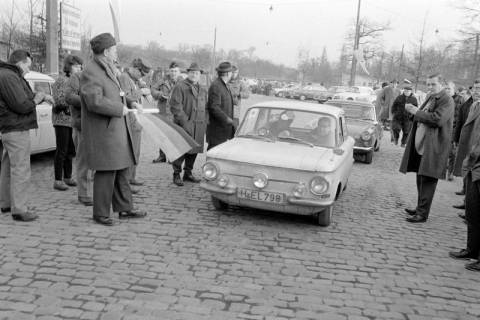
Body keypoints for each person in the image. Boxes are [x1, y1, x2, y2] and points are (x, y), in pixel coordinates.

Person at [80, 32, 146, 226]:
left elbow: (118, 94)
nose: (116, 53)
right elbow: (94, 101)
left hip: (114, 130)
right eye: (114, 50)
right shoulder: (91, 71)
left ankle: (125, 208)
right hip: (104, 132)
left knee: (122, 170)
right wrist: (120, 109)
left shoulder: (107, 67)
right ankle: (100, 213)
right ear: (107, 51)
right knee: (106, 172)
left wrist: (132, 103)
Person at [0, 49, 53, 221]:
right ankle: (20, 209)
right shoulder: (9, 76)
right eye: (28, 66)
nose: (29, 70)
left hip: (10, 128)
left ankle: (7, 203)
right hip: (16, 128)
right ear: (20, 62)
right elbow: (22, 105)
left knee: (9, 168)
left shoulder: (10, 75)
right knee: (21, 169)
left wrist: (40, 96)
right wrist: (38, 99)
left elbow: (26, 97)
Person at [399, 73, 454, 223]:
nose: (429, 87)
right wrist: (413, 111)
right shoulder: (431, 97)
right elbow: (420, 115)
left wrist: (416, 111)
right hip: (422, 143)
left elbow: (437, 120)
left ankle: (422, 214)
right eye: (428, 84)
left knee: (428, 179)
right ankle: (419, 208)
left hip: (434, 146)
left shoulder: (447, 100)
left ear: (441, 84)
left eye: (433, 84)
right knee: (420, 175)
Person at [449, 79, 480, 272]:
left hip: (477, 163)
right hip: (472, 164)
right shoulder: (475, 106)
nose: (476, 91)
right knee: (472, 211)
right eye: (475, 88)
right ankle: (472, 250)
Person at [169, 62, 207, 187]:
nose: (194, 75)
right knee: (181, 149)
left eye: (197, 73)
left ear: (200, 75)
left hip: (199, 125)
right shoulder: (180, 86)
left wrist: (205, 121)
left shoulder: (202, 88)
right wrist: (185, 122)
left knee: (194, 150)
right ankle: (176, 174)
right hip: (184, 124)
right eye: (192, 72)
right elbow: (175, 106)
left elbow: (205, 107)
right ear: (188, 73)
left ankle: (188, 173)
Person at [65, 57, 94, 206]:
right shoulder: (77, 77)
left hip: (96, 125)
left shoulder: (95, 77)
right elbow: (69, 97)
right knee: (83, 160)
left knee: (94, 161)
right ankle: (84, 194)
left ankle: (93, 191)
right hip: (82, 124)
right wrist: (90, 102)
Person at [51, 55, 82, 191]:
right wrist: (73, 100)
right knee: (61, 150)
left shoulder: (75, 80)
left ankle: (68, 176)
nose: (78, 68)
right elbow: (59, 100)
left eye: (80, 66)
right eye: (76, 66)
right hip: (61, 119)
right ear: (69, 66)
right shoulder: (61, 80)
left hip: (71, 120)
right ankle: (58, 179)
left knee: (71, 150)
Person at [118, 59, 150, 187]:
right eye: (141, 73)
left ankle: (132, 177)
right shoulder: (125, 78)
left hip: (135, 120)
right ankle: (127, 181)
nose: (141, 76)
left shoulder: (134, 80)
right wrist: (141, 92)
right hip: (130, 120)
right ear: (134, 68)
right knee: (130, 150)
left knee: (136, 150)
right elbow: (125, 97)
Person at [151, 61, 181, 163]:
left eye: (175, 71)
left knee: (174, 134)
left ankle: (173, 156)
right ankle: (162, 156)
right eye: (172, 71)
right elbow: (153, 89)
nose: (173, 73)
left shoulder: (183, 82)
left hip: (175, 112)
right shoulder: (163, 80)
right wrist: (160, 95)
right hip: (163, 110)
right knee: (162, 133)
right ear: (169, 71)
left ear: (179, 72)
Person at [206, 61, 234, 150]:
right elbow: (214, 107)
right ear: (227, 73)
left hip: (224, 130)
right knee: (213, 155)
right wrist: (227, 119)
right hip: (217, 131)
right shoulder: (216, 86)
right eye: (231, 72)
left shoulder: (224, 85)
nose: (232, 74)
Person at [453, 87, 474, 198]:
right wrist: (456, 139)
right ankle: (465, 189)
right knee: (465, 165)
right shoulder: (465, 105)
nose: (476, 91)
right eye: (475, 88)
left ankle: (468, 197)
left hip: (476, 141)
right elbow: (459, 123)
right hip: (466, 140)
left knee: (473, 169)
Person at [446, 82, 465, 180]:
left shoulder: (459, 99)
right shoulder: (444, 99)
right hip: (444, 128)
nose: (447, 90)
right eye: (446, 88)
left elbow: (459, 118)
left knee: (452, 152)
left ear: (454, 89)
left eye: (449, 89)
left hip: (453, 129)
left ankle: (450, 172)